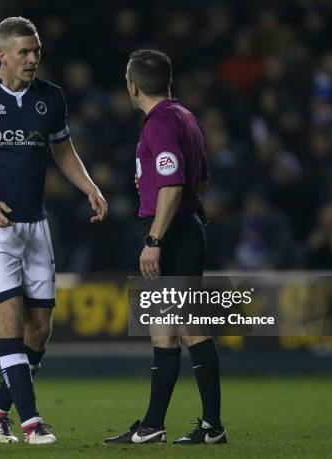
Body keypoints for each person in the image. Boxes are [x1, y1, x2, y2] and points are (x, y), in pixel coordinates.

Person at [0, 17, 107, 445]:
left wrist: (90, 187)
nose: (33, 58)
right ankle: (33, 422)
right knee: (11, 320)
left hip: (36, 224)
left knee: (41, 329)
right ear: (1, 55)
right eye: (24, 52)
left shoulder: (51, 98)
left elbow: (64, 151)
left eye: (36, 50)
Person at [104, 49, 226, 445]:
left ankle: (210, 428)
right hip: (185, 226)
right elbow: (200, 180)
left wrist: (155, 239)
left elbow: (172, 185)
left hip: (172, 233)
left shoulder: (158, 124)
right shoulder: (186, 117)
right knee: (164, 329)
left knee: (188, 330)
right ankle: (155, 425)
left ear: (133, 85)